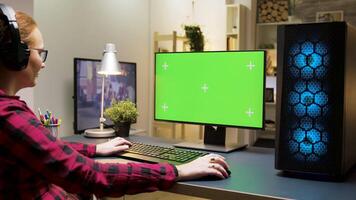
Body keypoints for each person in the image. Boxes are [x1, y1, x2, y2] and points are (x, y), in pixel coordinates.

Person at [0, 4, 230, 199]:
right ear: (17, 54)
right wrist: (177, 171)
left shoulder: (10, 110)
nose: (43, 63)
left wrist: (96, 149)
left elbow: (49, 150)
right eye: (41, 53)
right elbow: (90, 175)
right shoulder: (8, 116)